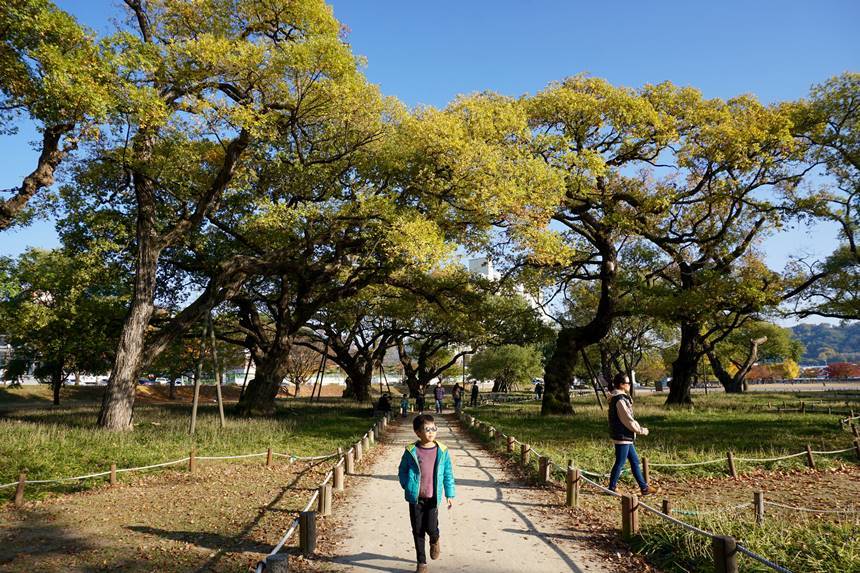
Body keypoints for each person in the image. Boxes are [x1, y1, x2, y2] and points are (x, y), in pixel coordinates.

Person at [398, 414, 456, 573]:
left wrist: (449, 494)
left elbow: (448, 474)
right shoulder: (411, 451)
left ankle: (435, 539)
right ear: (417, 432)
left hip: (433, 498)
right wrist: (407, 485)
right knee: (417, 529)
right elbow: (402, 470)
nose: (431, 432)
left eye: (433, 429)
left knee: (431, 528)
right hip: (415, 498)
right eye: (426, 429)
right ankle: (421, 563)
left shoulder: (442, 451)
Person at [608, 373, 657, 495]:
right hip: (622, 436)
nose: (630, 385)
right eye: (628, 383)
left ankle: (644, 488)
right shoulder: (619, 400)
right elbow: (627, 420)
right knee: (620, 462)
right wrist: (641, 430)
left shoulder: (621, 398)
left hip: (625, 436)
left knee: (634, 461)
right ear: (621, 385)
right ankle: (611, 488)